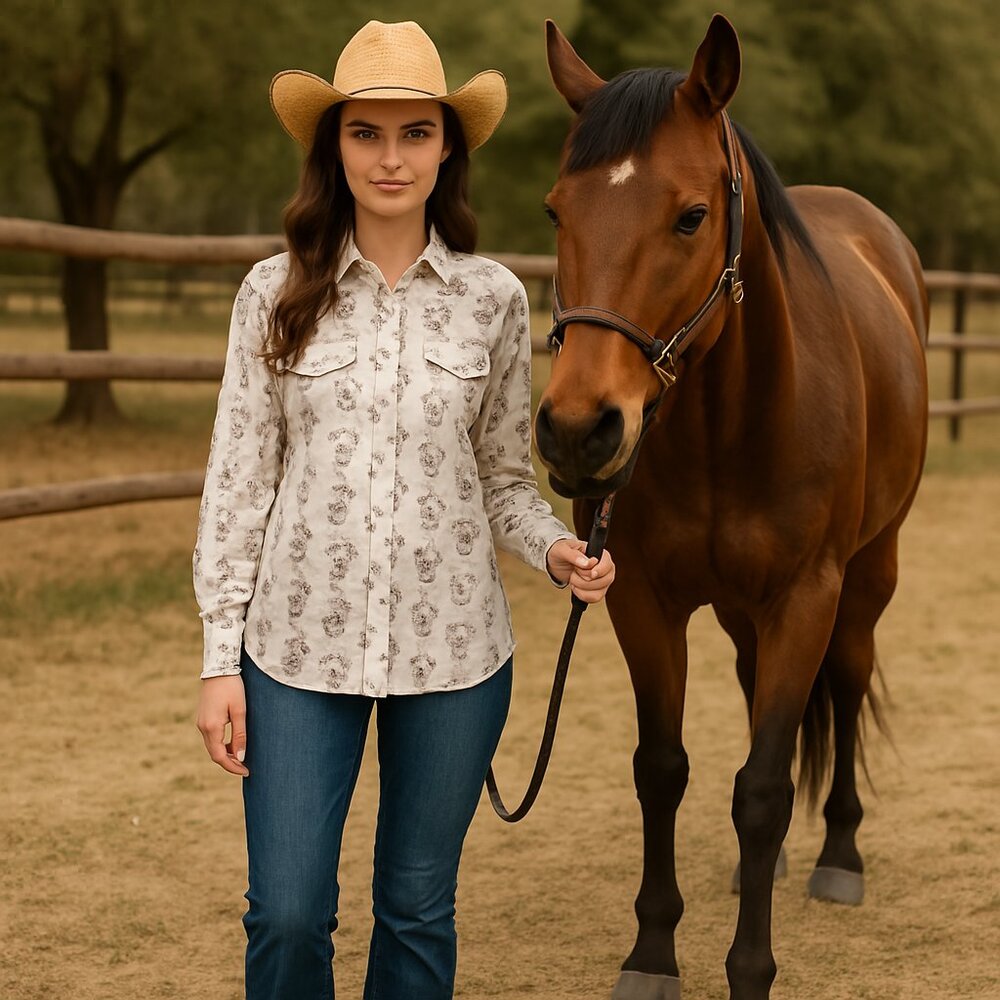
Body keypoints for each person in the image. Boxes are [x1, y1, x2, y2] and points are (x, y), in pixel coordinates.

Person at [193, 19, 614, 1000]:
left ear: (446, 148)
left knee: (418, 911)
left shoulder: (495, 300)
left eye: (414, 133)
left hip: (455, 653)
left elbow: (504, 479)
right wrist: (220, 659)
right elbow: (238, 486)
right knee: (288, 911)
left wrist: (557, 552)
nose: (390, 157)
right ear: (332, 148)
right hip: (295, 651)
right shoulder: (272, 293)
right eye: (366, 133)